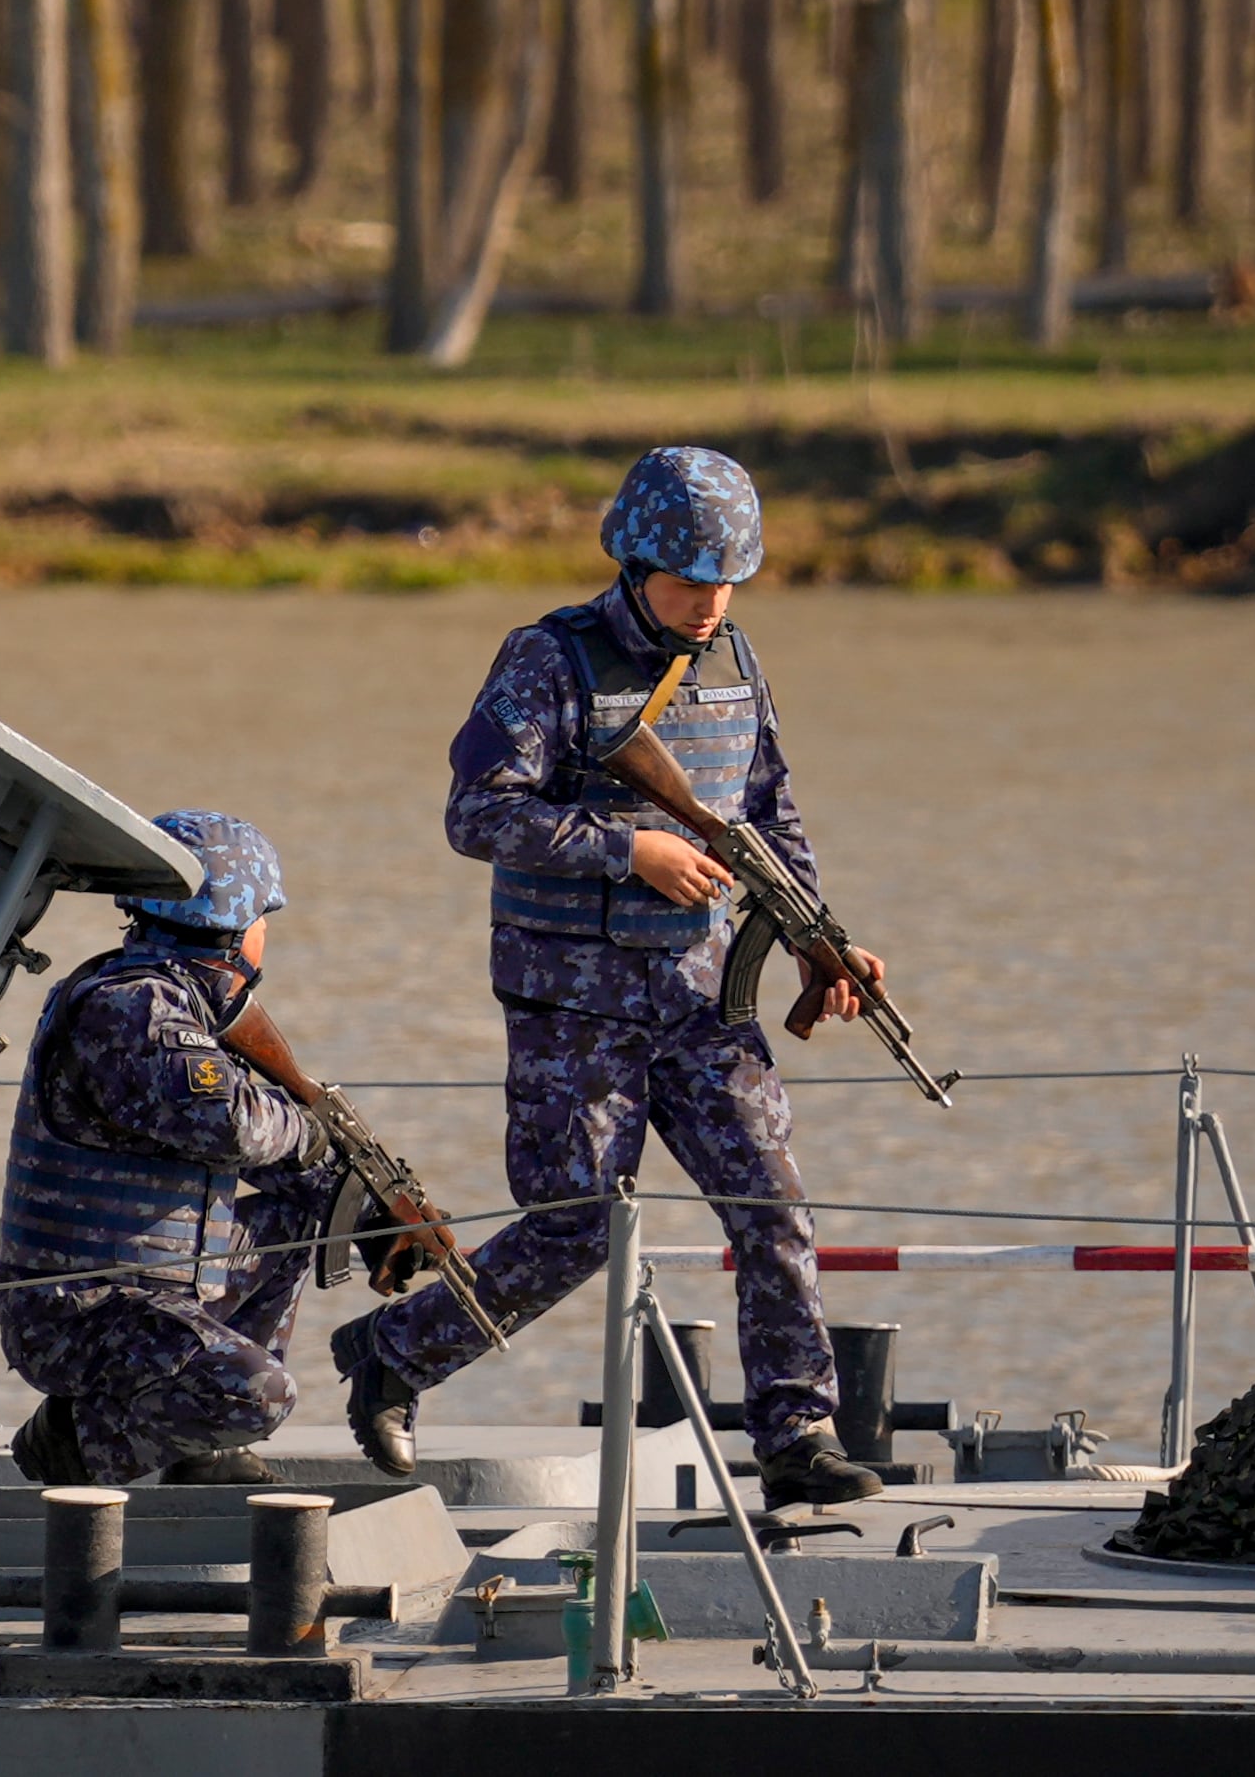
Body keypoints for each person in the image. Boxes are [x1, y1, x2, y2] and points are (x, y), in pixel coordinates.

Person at [326, 445, 889, 1510]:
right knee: (576, 1224)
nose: (709, 603)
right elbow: (474, 815)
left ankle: (796, 1437)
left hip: (700, 995)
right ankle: (394, 1354)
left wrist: (823, 936)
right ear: (632, 565)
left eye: (728, 582)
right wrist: (627, 850)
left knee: (769, 1205)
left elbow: (768, 813)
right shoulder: (546, 658)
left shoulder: (734, 662)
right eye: (688, 583)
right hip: (571, 1005)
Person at [0, 811, 344, 1487]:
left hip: (149, 1294)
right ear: (235, 926)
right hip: (78, 1310)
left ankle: (199, 1442)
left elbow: (253, 1151)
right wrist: (309, 1131)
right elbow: (232, 1128)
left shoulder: (181, 1004)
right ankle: (74, 1442)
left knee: (296, 1216)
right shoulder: (133, 1007)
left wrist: (362, 1209)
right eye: (264, 919)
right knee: (262, 1395)